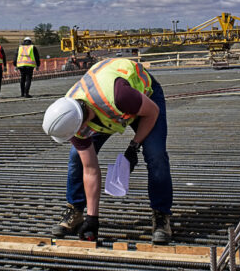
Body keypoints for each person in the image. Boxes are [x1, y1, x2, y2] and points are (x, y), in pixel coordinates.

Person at [41, 58, 173, 244]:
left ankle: (161, 216)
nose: (78, 135)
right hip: (112, 111)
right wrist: (92, 219)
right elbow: (90, 169)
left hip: (145, 99)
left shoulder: (119, 96)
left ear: (82, 120)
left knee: (156, 155)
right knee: (76, 158)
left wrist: (134, 146)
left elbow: (152, 112)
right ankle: (77, 212)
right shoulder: (69, 115)